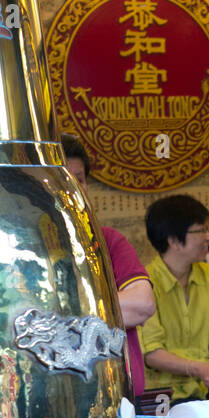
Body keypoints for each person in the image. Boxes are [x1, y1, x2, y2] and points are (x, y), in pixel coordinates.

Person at [61, 137, 155, 396]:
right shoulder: (29, 249)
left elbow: (142, 305)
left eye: (78, 179)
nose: (73, 190)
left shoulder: (108, 241)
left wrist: (64, 314)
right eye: (62, 181)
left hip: (123, 400)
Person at [140, 194, 209, 402]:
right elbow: (152, 354)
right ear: (174, 241)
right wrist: (199, 369)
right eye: (201, 230)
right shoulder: (145, 282)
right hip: (164, 392)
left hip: (207, 385)